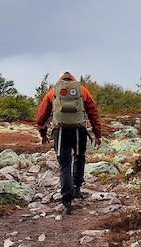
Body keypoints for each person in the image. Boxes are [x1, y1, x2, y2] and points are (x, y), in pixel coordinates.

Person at [36, 71, 103, 214]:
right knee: (79, 157)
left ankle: (67, 201)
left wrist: (43, 133)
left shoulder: (53, 91)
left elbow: (42, 115)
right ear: (73, 79)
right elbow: (93, 113)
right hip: (79, 130)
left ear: (60, 79)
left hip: (60, 131)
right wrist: (98, 135)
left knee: (64, 164)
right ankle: (77, 188)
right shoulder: (83, 91)